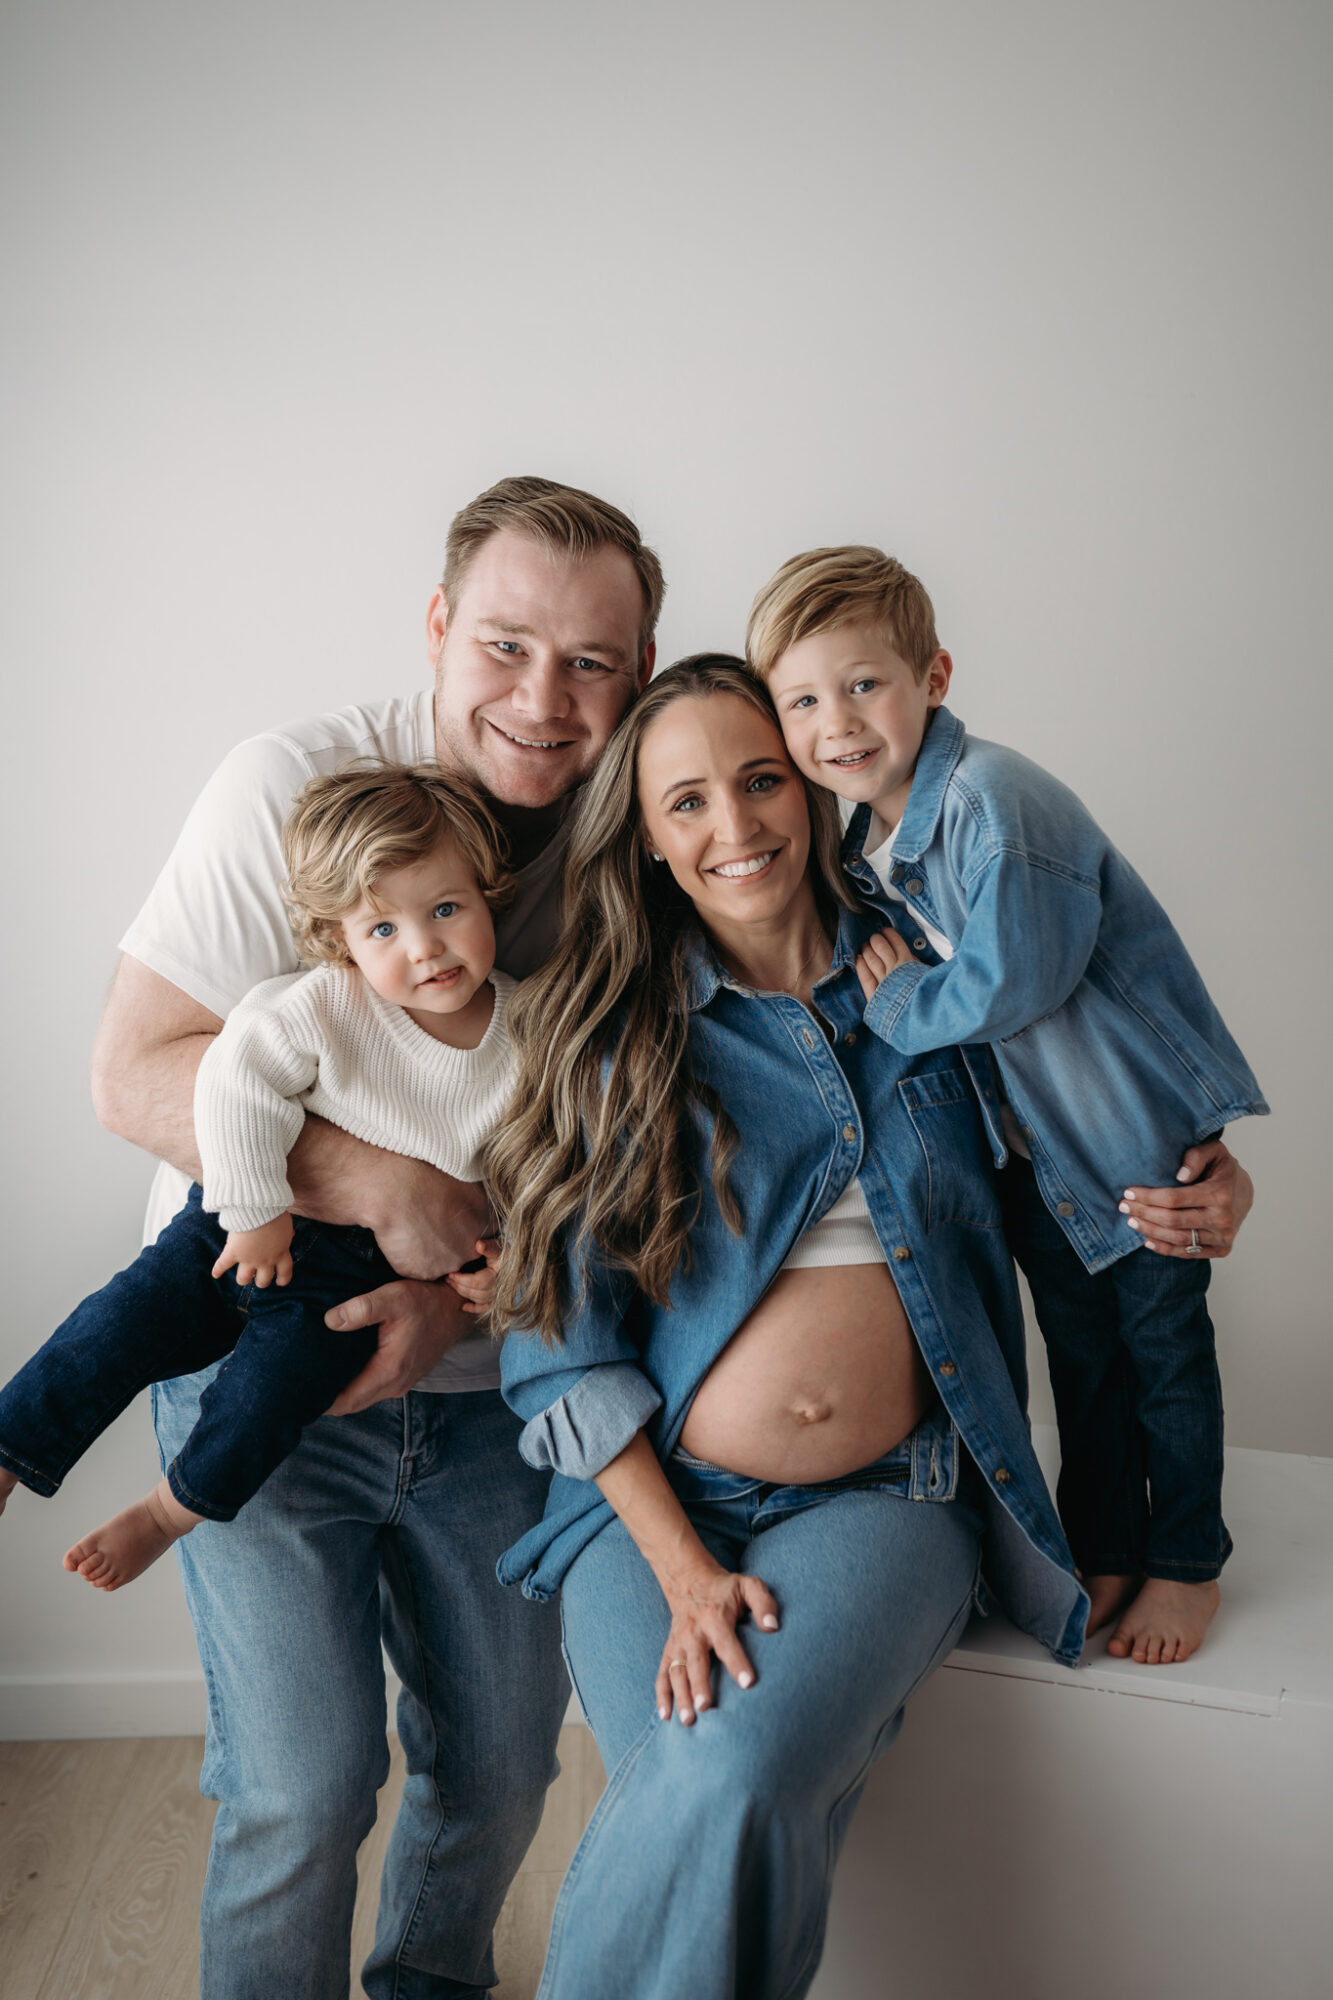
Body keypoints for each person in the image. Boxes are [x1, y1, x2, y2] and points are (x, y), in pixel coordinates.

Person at [88, 476, 660, 2000]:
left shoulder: (639, 840)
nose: (544, 701)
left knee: (498, 1770)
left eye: (594, 663)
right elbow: (134, 1068)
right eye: (506, 644)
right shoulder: (290, 784)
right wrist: (373, 1190)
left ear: (641, 675)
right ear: (436, 628)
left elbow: (641, 1149)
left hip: (499, 1399)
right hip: (259, 1355)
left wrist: (452, 1310)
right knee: (301, 1788)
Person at [485, 655, 1088, 2000]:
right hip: (649, 1507)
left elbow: (1099, 1129)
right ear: (644, 836)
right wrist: (685, 1572)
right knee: (711, 1786)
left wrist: (1201, 1169)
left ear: (813, 789)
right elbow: (556, 1347)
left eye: (761, 781)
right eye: (686, 801)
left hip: (889, 1495)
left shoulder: (942, 985)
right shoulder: (609, 1040)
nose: (736, 827)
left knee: (733, 1766)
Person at [748, 544, 1265, 1666]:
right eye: (800, 698)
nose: (835, 721)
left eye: (862, 683)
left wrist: (902, 1007)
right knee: (1081, 1356)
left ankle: (1186, 1561)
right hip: (1033, 1150)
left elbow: (1012, 979)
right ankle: (1108, 1541)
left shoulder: (994, 802)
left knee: (1163, 1355)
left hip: (1122, 1134)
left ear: (933, 676)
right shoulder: (864, 844)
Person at [0, 763, 518, 1591]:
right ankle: (11, 1448)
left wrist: (503, 1267)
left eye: (446, 910)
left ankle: (169, 1512)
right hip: (237, 1225)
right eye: (382, 929)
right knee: (117, 1326)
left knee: (270, 1395)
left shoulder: (527, 1036)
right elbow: (234, 1080)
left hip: (354, 1279)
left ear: (487, 892)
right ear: (338, 937)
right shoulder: (322, 1003)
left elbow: (542, 1168)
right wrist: (254, 1209)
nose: (424, 947)